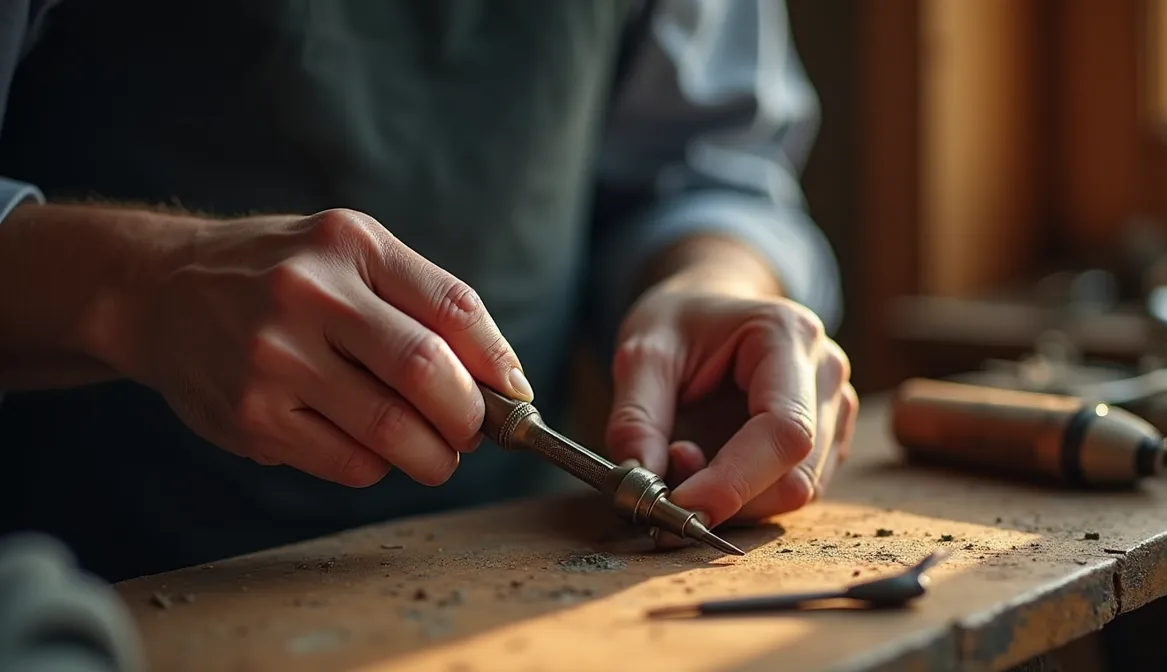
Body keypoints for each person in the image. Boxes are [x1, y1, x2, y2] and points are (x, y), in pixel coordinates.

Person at [0, 0, 857, 583]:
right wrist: (139, 288)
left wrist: (714, 275)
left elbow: (705, 164)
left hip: (500, 563)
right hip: (76, 588)